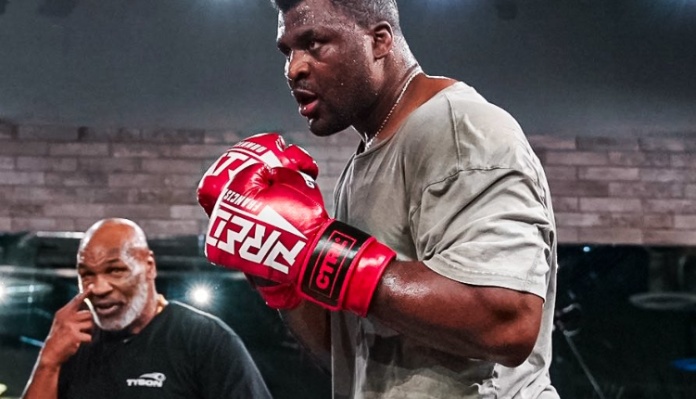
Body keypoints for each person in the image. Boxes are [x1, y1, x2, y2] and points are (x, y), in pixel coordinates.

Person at [199, 0, 560, 397]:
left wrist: (319, 252)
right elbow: (344, 353)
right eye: (288, 51)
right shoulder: (364, 162)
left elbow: (506, 321)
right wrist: (280, 268)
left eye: (314, 43)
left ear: (379, 41)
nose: (294, 68)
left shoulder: (461, 129)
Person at [21, 218, 272, 399]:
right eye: (86, 275)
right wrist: (48, 363)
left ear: (149, 266)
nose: (98, 288)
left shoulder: (204, 339)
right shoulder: (73, 346)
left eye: (115, 270)